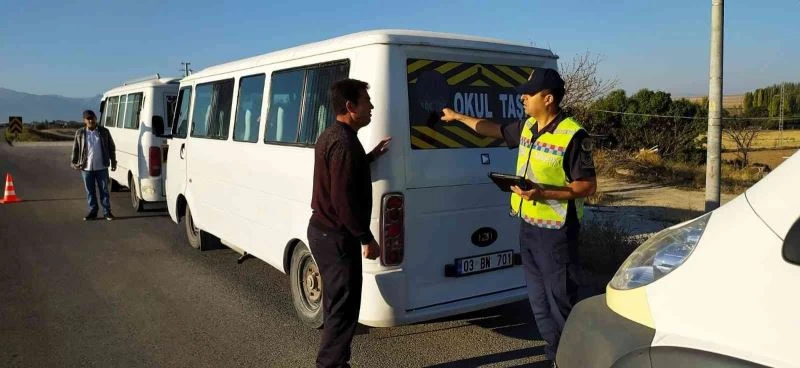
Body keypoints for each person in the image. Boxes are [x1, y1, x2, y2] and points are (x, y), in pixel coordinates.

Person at [441, 68, 597, 366]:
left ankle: (573, 360)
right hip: (528, 229)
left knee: (561, 305)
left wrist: (543, 193)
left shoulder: (574, 135)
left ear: (548, 98)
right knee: (539, 305)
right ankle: (555, 358)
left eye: (529, 93)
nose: (523, 97)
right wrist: (458, 117)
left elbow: (587, 185)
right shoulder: (528, 126)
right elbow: (492, 129)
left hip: (557, 236)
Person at [307, 78, 391, 368]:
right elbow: (344, 201)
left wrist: (370, 157)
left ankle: (335, 363)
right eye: (366, 102)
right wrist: (366, 238)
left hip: (324, 233)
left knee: (336, 305)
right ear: (350, 107)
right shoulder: (343, 143)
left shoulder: (334, 136)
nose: (371, 107)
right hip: (336, 236)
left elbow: (342, 175)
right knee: (343, 309)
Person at [70, 110, 117, 221]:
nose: (91, 120)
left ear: (96, 118)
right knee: (90, 191)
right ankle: (93, 211)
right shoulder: (80, 133)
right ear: (84, 120)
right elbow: (75, 149)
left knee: (104, 190)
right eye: (88, 118)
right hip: (86, 168)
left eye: (92, 118)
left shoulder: (104, 132)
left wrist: (113, 161)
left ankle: (107, 212)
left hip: (101, 166)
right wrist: (73, 162)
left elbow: (111, 147)